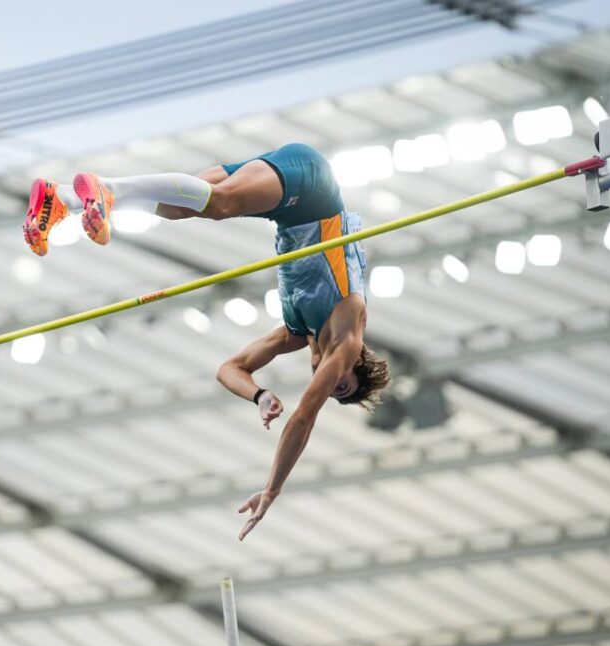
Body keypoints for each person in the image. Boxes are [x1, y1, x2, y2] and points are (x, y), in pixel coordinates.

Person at [22, 143, 390, 540]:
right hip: (313, 192)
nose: (328, 383)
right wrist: (272, 490)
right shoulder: (347, 337)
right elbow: (302, 418)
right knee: (221, 204)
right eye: (341, 384)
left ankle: (58, 197)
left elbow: (229, 369)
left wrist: (259, 395)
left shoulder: (296, 333)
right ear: (356, 362)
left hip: (288, 206)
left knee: (182, 206)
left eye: (334, 391)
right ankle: (106, 190)